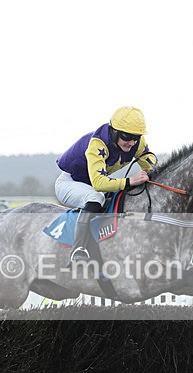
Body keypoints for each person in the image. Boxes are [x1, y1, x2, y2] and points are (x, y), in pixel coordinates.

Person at [55, 106, 157, 263]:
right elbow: (99, 183)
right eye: (126, 137)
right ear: (114, 132)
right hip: (70, 182)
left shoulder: (136, 142)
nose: (131, 143)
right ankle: (79, 248)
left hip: (91, 185)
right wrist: (130, 181)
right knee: (96, 198)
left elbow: (148, 158)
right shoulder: (97, 144)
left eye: (135, 137)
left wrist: (153, 170)